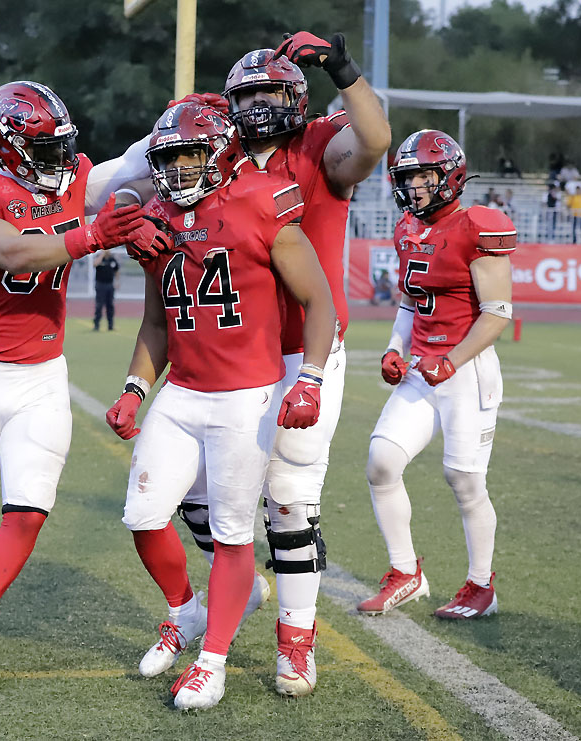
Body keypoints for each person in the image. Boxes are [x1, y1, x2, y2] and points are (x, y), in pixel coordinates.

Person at [172, 32, 390, 698]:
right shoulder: (221, 154)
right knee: (192, 492)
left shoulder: (321, 142)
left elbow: (376, 140)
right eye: (249, 94)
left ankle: (296, 644)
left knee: (290, 500)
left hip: (306, 347)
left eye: (273, 89)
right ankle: (244, 577)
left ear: (296, 95)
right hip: (238, 350)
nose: (262, 104)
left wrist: (342, 69)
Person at [0, 80, 165, 680]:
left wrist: (192, 118)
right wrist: (93, 234)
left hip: (42, 374)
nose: (61, 161)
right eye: (44, 147)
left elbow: (138, 162)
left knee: (29, 510)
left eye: (63, 146)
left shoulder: (74, 177)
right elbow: (9, 251)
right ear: (5, 147)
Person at [106, 101, 336, 710]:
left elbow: (319, 300)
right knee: (143, 515)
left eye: (190, 157)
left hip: (244, 397)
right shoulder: (157, 217)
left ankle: (214, 663)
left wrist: (309, 378)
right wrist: (134, 389)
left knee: (234, 537)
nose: (179, 172)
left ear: (221, 153)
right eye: (169, 161)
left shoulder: (263, 200)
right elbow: (158, 320)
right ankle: (184, 614)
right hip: (181, 391)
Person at [357, 130, 514, 621]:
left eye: (424, 175)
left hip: (465, 372)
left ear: (450, 175)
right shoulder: (406, 228)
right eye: (408, 177)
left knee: (463, 480)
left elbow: (497, 313)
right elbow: (409, 300)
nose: (416, 186)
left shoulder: (477, 227)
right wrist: (393, 348)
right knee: (381, 462)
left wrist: (451, 360)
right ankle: (406, 573)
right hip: (423, 369)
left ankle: (481, 585)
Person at [92, 250, 119, 331]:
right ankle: (96, 325)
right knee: (99, 305)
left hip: (110, 285)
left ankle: (110, 325)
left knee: (110, 305)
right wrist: (102, 255)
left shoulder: (112, 260)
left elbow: (117, 270)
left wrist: (117, 281)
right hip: (100, 285)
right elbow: (94, 264)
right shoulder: (99, 258)